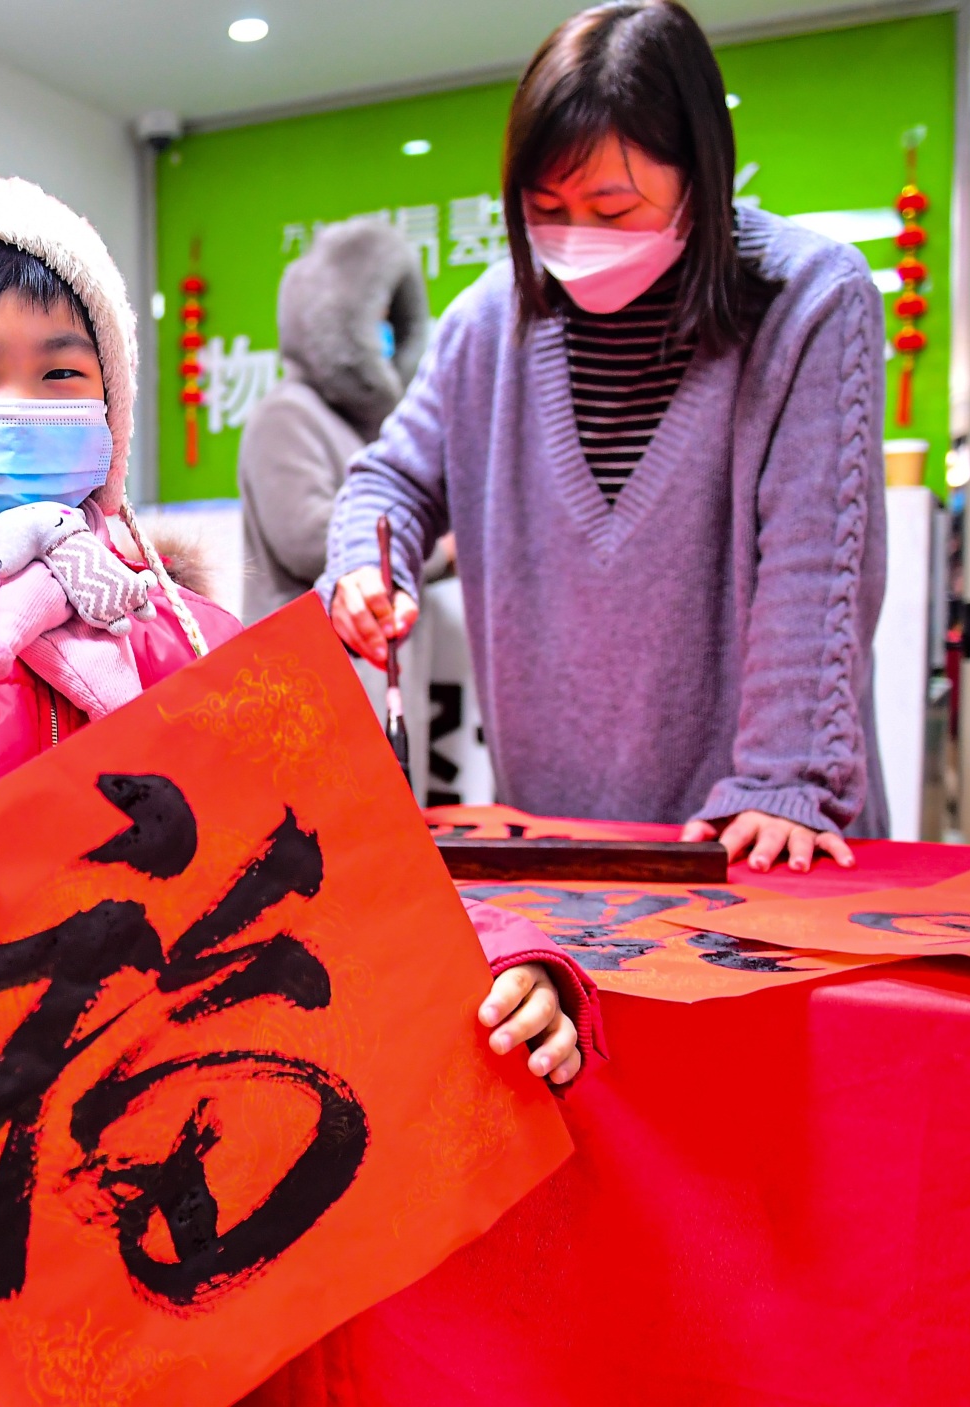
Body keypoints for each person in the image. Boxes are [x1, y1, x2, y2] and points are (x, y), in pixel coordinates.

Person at [0, 176, 601, 1407]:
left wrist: (503, 971)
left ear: (111, 407)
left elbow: (347, 869)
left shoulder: (189, 636)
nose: (15, 402)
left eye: (60, 371)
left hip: (157, 1292)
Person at [321, 0, 888, 873]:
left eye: (613, 207)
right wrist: (366, 565)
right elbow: (388, 483)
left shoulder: (809, 299)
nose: (575, 239)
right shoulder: (488, 324)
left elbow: (816, 560)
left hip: (756, 834)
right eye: (546, 208)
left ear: (697, 173)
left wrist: (787, 778)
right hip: (557, 839)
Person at [237, 216, 428, 623]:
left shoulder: (372, 426)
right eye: (374, 314)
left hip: (373, 667)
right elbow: (309, 541)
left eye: (392, 316)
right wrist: (433, 544)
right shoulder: (287, 414)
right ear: (340, 321)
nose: (384, 328)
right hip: (309, 670)